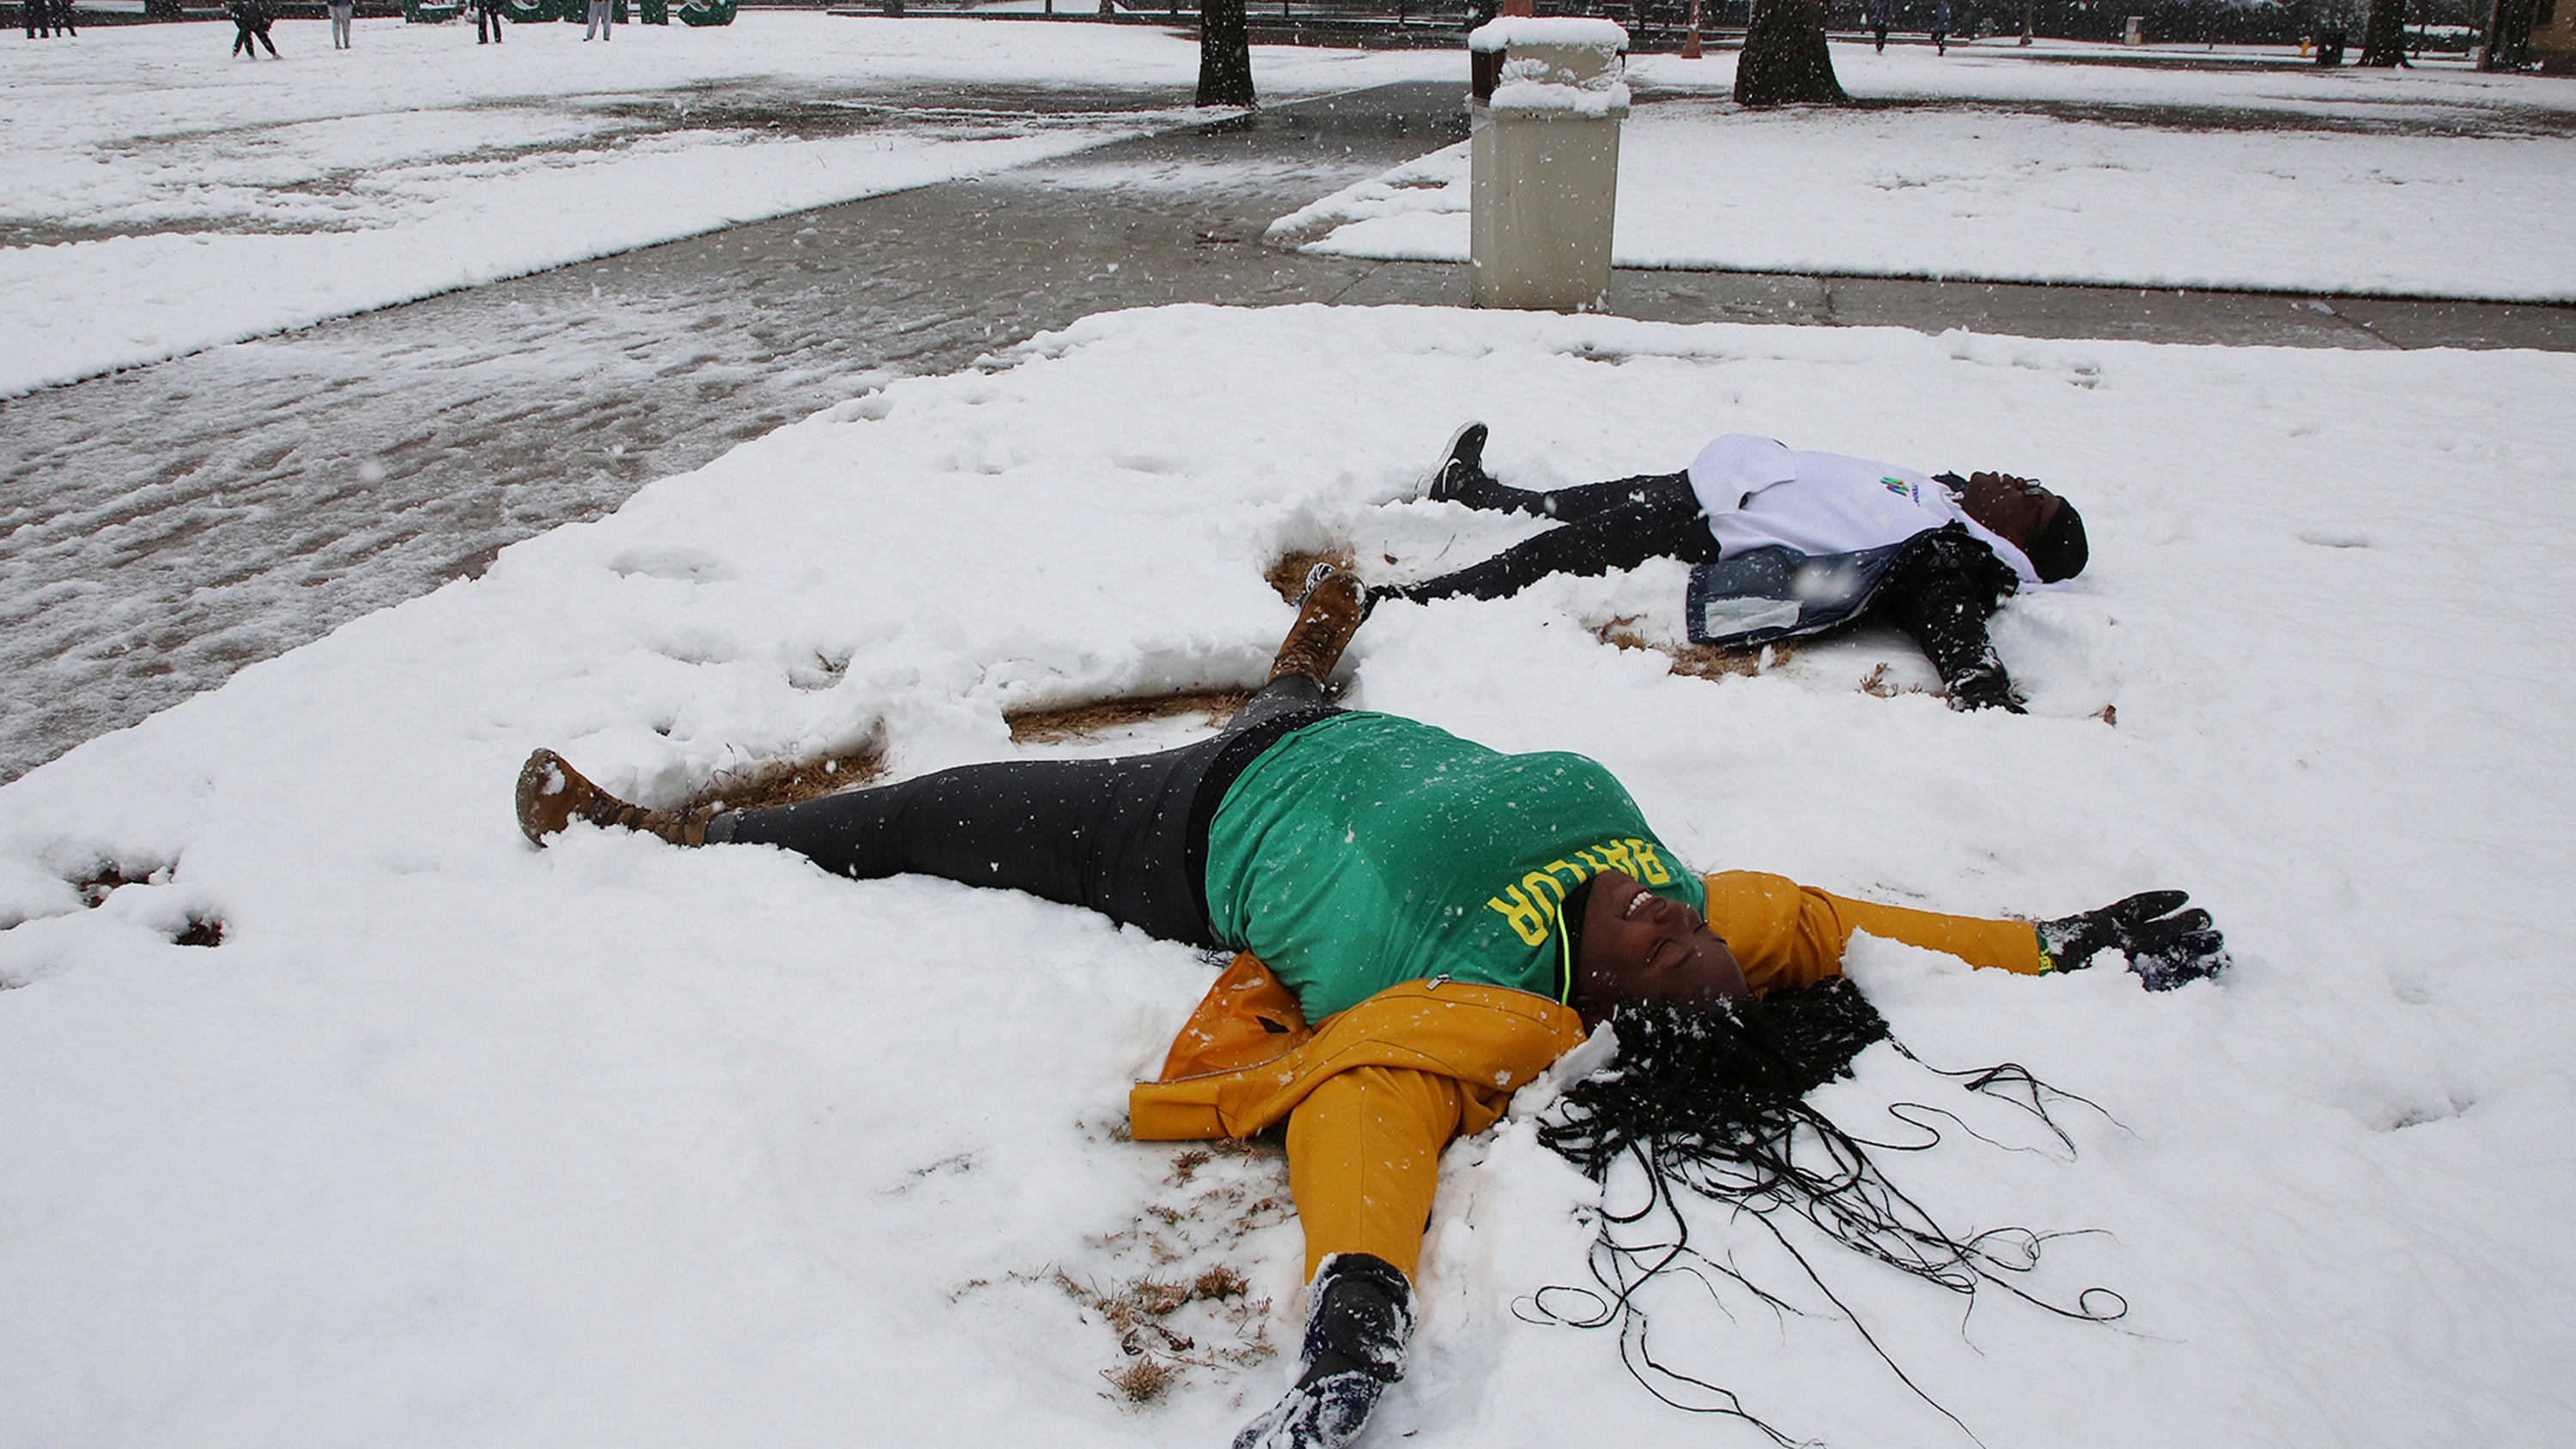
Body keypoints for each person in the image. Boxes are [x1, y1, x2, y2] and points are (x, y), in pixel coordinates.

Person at [513, 568, 2227, 1449]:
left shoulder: (1488, 1009)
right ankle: (1324, 618)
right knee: (1303, 678)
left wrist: (1356, 1315)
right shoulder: (1720, 919)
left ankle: (668, 833)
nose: (1664, 904)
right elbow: (1854, 920)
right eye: (1681, 916)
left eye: (1656, 942)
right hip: (1309, 737)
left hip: (1192, 829)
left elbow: (1369, 1123)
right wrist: (2061, 940)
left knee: (935, 814)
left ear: (1609, 1008)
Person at [1373, 424, 2090, 712]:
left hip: (1723, 527)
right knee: (1585, 504)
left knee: (1556, 556)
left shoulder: (1954, 552)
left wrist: (1978, 679)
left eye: (2034, 499)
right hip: (1733, 480)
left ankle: (1403, 600)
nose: (2018, 480)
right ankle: (1472, 492)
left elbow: (1946, 609)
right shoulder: (1952, 498)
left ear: (2020, 544)